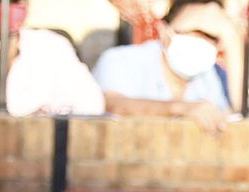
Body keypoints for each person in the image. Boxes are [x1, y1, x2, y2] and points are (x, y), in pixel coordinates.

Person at [93, 0, 231, 132]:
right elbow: (112, 105)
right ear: (165, 31)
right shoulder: (120, 60)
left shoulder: (214, 75)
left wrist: (233, 37)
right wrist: (179, 108)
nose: (201, 41)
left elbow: (241, 112)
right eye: (194, 31)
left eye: (211, 36)